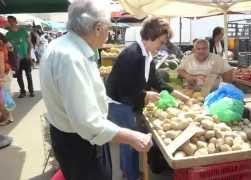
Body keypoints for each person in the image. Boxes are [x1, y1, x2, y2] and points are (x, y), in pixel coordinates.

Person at [39, 1, 153, 180]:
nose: (109, 32)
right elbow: (88, 123)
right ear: (98, 28)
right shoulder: (72, 59)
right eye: (109, 26)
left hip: (71, 135)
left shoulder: (62, 45)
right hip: (79, 141)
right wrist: (132, 136)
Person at [106, 17, 189, 180]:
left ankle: (135, 171)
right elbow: (124, 90)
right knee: (129, 144)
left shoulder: (147, 55)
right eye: (161, 41)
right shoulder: (132, 55)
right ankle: (130, 176)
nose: (162, 45)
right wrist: (145, 95)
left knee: (138, 138)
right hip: (119, 105)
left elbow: (156, 82)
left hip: (130, 101)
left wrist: (183, 97)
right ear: (151, 36)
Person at [6, 15, 34, 98]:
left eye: (12, 21)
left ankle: (31, 91)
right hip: (16, 59)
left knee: (28, 74)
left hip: (25, 57)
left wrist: (29, 54)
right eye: (9, 21)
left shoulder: (23, 31)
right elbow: (7, 47)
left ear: (15, 21)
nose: (10, 23)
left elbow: (29, 44)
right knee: (19, 76)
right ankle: (22, 91)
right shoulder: (8, 34)